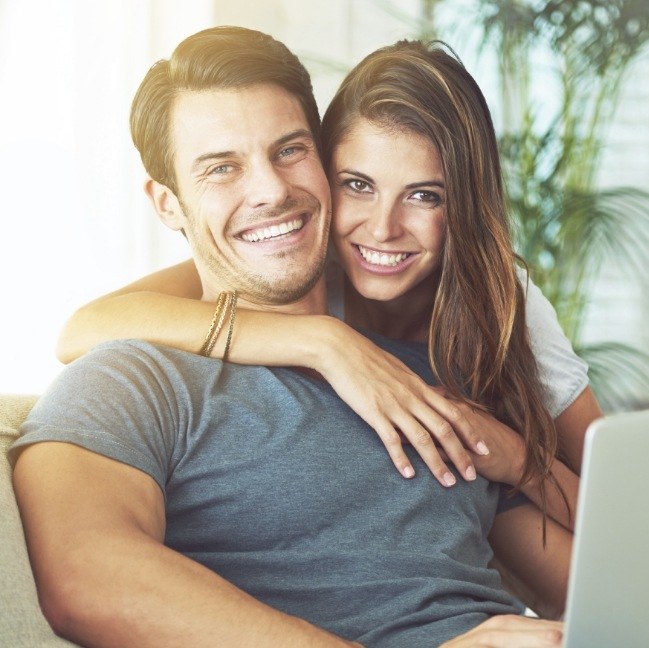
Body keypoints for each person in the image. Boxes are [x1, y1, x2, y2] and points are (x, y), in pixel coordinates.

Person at [10, 26, 572, 647]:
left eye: (289, 150)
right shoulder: (131, 380)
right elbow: (86, 579)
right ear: (168, 204)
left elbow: (604, 579)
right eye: (222, 167)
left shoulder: (427, 368)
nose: (272, 190)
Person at [57, 35, 600, 527]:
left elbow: (618, 515)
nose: (383, 230)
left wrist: (518, 459)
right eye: (358, 184)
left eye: (424, 195)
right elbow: (84, 328)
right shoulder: (300, 260)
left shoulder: (502, 301)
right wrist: (326, 342)